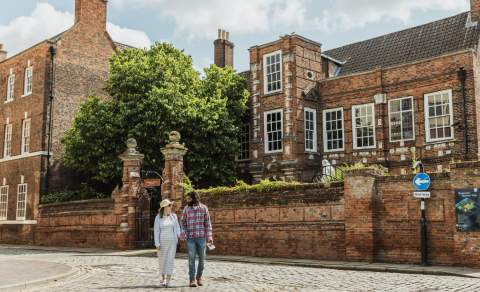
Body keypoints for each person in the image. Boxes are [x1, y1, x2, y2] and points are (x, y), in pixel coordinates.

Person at [181, 191, 213, 287]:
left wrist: (209, 236)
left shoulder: (204, 208)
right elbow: (182, 222)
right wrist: (184, 232)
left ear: (194, 198)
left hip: (201, 238)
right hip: (190, 238)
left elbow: (208, 224)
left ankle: (199, 278)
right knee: (191, 259)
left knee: (202, 259)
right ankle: (192, 280)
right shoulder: (186, 209)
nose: (187, 200)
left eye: (189, 198)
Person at [154, 198, 182, 287]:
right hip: (162, 242)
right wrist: (157, 243)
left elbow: (177, 228)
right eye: (169, 205)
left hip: (172, 242)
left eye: (171, 205)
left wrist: (179, 235)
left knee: (170, 260)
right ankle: (163, 278)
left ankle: (168, 280)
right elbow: (156, 231)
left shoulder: (173, 216)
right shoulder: (158, 217)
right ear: (165, 207)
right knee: (162, 260)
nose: (171, 207)